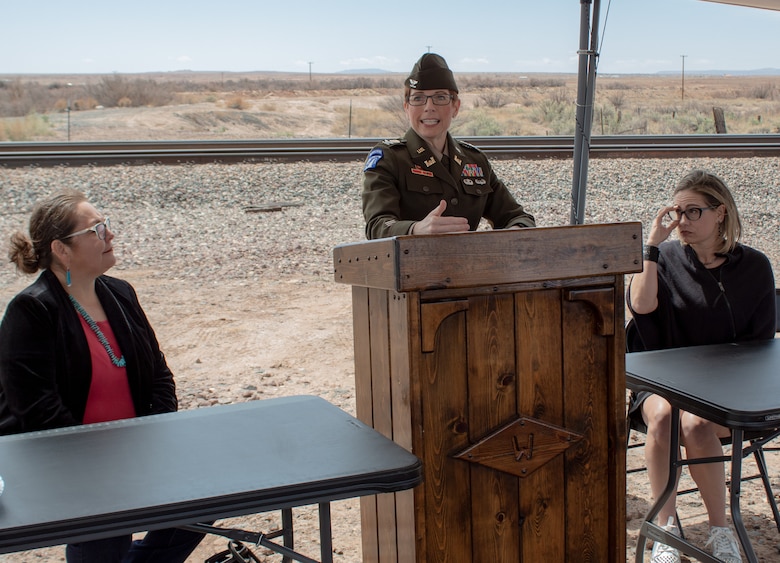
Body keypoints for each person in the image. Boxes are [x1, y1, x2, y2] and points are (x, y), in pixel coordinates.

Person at [0, 189, 205, 563]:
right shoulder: (31, 309)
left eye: (106, 226)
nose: (109, 235)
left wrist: (155, 439)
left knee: (206, 494)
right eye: (96, 229)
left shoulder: (121, 293)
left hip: (132, 452)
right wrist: (99, 466)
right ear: (62, 249)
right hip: (67, 463)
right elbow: (36, 409)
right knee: (108, 536)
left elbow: (159, 376)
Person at [626, 169, 776, 563]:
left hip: (727, 390)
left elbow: (761, 347)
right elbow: (641, 306)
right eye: (677, 212)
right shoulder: (668, 257)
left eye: (694, 212)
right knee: (664, 418)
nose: (683, 222)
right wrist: (652, 248)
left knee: (695, 423)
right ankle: (666, 529)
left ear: (721, 212)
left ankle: (719, 530)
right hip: (662, 381)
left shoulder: (754, 266)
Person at [361, 52, 535, 240]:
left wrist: (514, 234)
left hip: (470, 266)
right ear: (406, 107)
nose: (429, 107)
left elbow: (517, 217)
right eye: (418, 98)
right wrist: (416, 229)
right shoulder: (389, 158)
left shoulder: (475, 161)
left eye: (440, 97)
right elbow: (377, 225)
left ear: (456, 107)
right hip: (411, 267)